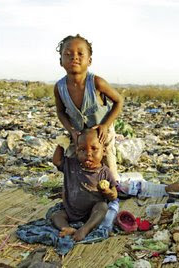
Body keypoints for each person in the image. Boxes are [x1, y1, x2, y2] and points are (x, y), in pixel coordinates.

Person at [54, 34, 123, 181]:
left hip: (101, 134)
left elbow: (119, 101)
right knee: (76, 166)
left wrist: (105, 125)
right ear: (61, 61)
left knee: (108, 170)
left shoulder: (97, 83)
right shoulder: (59, 87)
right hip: (78, 135)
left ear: (89, 60)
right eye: (68, 54)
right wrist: (71, 130)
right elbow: (60, 112)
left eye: (80, 53)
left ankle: (112, 194)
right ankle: (81, 192)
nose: (74, 57)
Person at [51, 128, 118, 241]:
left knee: (102, 207)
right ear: (76, 151)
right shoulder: (71, 165)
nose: (88, 154)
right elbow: (56, 161)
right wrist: (62, 144)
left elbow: (114, 195)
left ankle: (85, 229)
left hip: (92, 212)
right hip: (71, 211)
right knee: (56, 216)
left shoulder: (104, 172)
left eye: (94, 149)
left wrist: (107, 191)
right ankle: (67, 228)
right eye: (82, 150)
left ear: (104, 151)